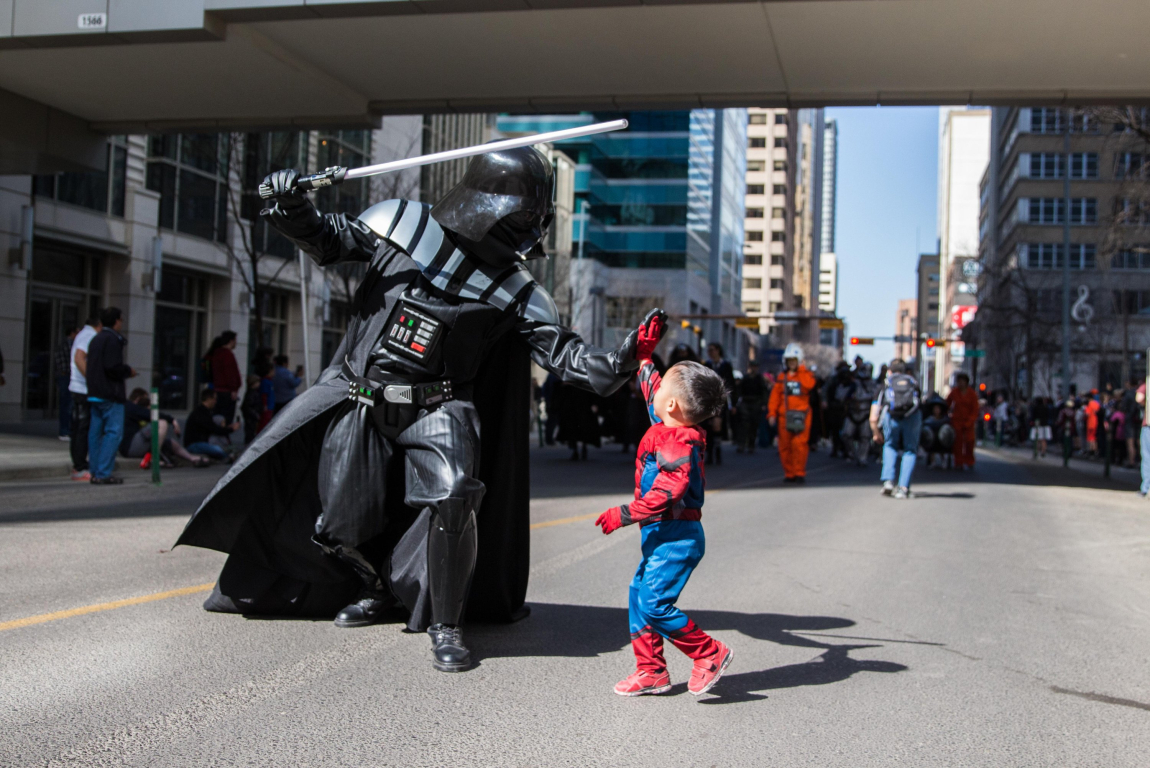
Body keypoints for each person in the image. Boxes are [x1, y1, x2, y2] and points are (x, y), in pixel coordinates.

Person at [177, 148, 654, 673]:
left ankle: (446, 625)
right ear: (485, 203)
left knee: (454, 495)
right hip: (363, 400)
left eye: (535, 221)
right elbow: (328, 240)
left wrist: (619, 359)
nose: (528, 232)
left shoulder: (519, 293)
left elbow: (566, 356)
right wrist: (292, 207)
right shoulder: (399, 226)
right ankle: (378, 586)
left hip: (439, 406)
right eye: (522, 218)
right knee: (337, 526)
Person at [594, 315, 734, 697]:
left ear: (671, 404)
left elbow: (668, 493)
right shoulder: (668, 420)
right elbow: (651, 386)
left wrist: (622, 514)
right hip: (661, 533)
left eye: (663, 391)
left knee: (654, 603)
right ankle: (651, 671)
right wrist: (644, 354)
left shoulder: (677, 443)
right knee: (640, 595)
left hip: (677, 536)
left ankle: (709, 653)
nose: (652, 394)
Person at [85, 307, 136, 485]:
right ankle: (103, 472)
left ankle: (95, 470)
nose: (121, 323)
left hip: (94, 392)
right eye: (121, 320)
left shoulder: (96, 339)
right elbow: (112, 367)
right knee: (113, 432)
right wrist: (128, 371)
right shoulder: (112, 340)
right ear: (116, 321)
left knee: (95, 432)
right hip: (110, 393)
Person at [871, 359, 921, 499]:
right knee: (910, 450)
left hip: (891, 418)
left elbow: (874, 412)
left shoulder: (886, 385)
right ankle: (903, 488)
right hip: (911, 418)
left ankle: (888, 482)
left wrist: (875, 431)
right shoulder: (912, 382)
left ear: (890, 371)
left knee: (890, 446)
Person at [767, 343, 817, 483]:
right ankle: (789, 473)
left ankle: (799, 472)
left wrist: (801, 370)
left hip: (802, 416)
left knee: (799, 445)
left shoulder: (805, 375)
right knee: (785, 446)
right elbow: (775, 397)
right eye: (790, 361)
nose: (792, 363)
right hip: (784, 416)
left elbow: (809, 385)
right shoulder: (782, 377)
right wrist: (772, 413)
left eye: (794, 360)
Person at [120, 388, 209, 466]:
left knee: (171, 443)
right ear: (137, 399)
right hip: (130, 445)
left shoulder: (133, 409)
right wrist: (172, 420)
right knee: (161, 423)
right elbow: (153, 415)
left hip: (140, 443)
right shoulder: (130, 407)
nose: (146, 405)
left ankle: (192, 458)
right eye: (145, 401)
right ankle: (155, 458)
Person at [68, 315, 101, 481]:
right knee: (82, 428)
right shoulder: (89, 335)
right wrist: (92, 379)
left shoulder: (83, 334)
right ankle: (79, 466)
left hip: (78, 387)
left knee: (78, 428)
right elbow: (79, 356)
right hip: (82, 388)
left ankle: (79, 464)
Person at [185, 388, 241, 461]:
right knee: (217, 450)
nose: (215, 402)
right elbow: (214, 429)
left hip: (201, 443)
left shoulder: (205, 412)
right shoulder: (200, 413)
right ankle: (228, 457)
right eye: (214, 399)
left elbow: (213, 427)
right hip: (195, 444)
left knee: (218, 448)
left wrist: (227, 428)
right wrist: (231, 429)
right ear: (209, 399)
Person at [841, 362, 876, 466]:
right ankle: (852, 452)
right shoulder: (854, 383)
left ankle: (862, 457)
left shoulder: (874, 384)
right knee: (846, 434)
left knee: (865, 437)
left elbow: (875, 398)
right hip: (852, 412)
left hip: (865, 413)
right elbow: (844, 395)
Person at [203, 331, 241, 423]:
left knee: (218, 416)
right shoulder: (227, 354)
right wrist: (233, 389)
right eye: (235, 340)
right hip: (226, 391)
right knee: (226, 418)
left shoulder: (216, 353)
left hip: (218, 389)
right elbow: (230, 373)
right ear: (231, 341)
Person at [946, 373, 979, 470]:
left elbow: (975, 409)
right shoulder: (954, 392)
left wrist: (971, 420)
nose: (960, 383)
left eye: (962, 381)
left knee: (969, 442)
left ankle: (969, 461)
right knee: (957, 443)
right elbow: (947, 403)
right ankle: (958, 462)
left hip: (969, 422)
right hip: (957, 421)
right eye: (959, 381)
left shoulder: (972, 394)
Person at [823, 361, 854, 459]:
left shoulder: (851, 381)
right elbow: (826, 390)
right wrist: (825, 401)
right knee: (835, 429)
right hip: (834, 407)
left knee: (845, 430)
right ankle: (836, 448)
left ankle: (846, 450)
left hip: (846, 409)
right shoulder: (833, 380)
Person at [734, 361, 767, 454]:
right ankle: (742, 444)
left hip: (756, 402)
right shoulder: (745, 378)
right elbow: (739, 390)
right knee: (744, 424)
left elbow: (764, 391)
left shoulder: (759, 379)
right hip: (746, 402)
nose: (753, 368)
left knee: (753, 424)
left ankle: (751, 445)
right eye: (752, 366)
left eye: (755, 366)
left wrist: (764, 403)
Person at [53, 326, 79, 440]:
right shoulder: (70, 344)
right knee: (68, 404)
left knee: (66, 404)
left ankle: (65, 430)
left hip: (63, 375)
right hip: (66, 375)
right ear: (72, 333)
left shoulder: (62, 344)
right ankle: (65, 430)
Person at [240, 374, 264, 445]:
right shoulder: (251, 394)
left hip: (252, 416)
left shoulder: (253, 393)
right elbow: (248, 406)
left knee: (251, 432)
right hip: (251, 417)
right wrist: (255, 414)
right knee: (250, 433)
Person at [1084, 391, 1101, 457]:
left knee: (1090, 438)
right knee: (1094, 437)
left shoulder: (1089, 404)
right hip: (1096, 422)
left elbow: (1087, 414)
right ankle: (1095, 450)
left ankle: (1092, 451)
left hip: (1090, 423)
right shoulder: (1097, 403)